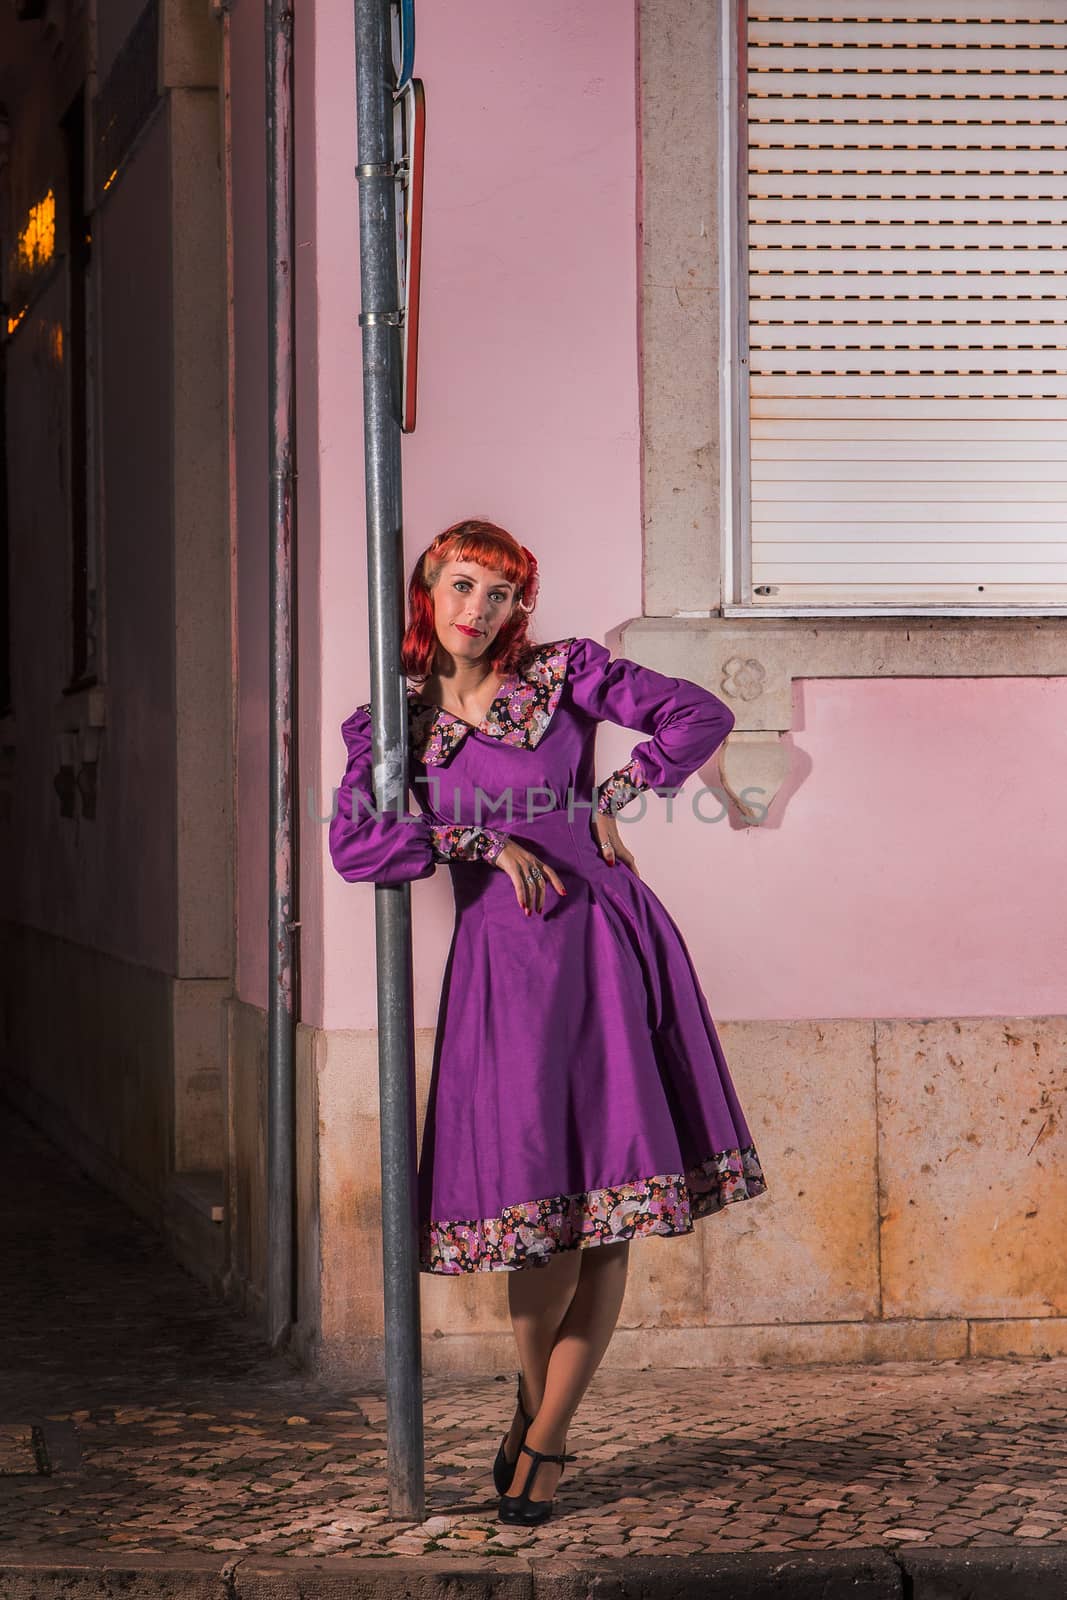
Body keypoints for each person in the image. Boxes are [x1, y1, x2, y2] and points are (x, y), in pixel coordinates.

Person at [329, 519, 769, 1526]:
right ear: (424, 594)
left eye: (495, 593)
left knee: (607, 1207)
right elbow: (357, 847)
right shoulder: (395, 725)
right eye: (457, 587)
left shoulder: (565, 674)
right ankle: (537, 1408)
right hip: (501, 969)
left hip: (603, 944)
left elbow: (698, 714)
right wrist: (477, 839)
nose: (474, 611)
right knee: (536, 1219)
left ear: (518, 605)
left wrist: (620, 788)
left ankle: (548, 1438)